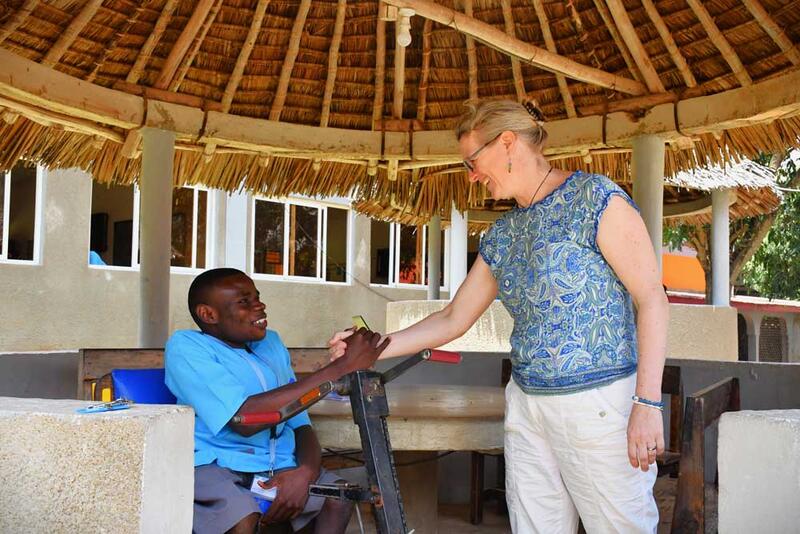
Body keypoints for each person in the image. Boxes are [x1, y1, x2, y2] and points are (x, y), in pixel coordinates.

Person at [330, 100, 669, 533]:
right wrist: (373, 347)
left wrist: (647, 403)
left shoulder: (595, 200)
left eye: (473, 161)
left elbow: (652, 299)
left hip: (600, 404)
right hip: (528, 405)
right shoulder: (504, 234)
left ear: (507, 142)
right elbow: (454, 317)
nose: (471, 175)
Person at [166, 267, 388, 534]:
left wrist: (305, 471)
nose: (260, 306)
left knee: (338, 497)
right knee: (242, 517)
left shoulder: (271, 343)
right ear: (208, 314)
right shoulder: (187, 347)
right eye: (244, 301)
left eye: (257, 297)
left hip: (278, 465)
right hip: (214, 465)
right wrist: (339, 368)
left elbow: (300, 421)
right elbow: (245, 419)